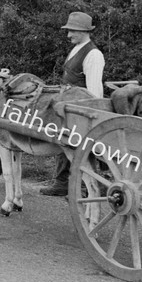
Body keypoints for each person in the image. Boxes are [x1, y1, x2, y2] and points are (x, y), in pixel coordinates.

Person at [40, 11, 105, 196]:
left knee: (76, 146)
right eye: (68, 31)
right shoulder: (77, 48)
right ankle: (62, 182)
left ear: (84, 31)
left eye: (72, 31)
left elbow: (93, 91)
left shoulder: (93, 55)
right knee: (62, 141)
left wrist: (89, 114)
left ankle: (84, 185)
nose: (68, 35)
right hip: (68, 105)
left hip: (81, 108)